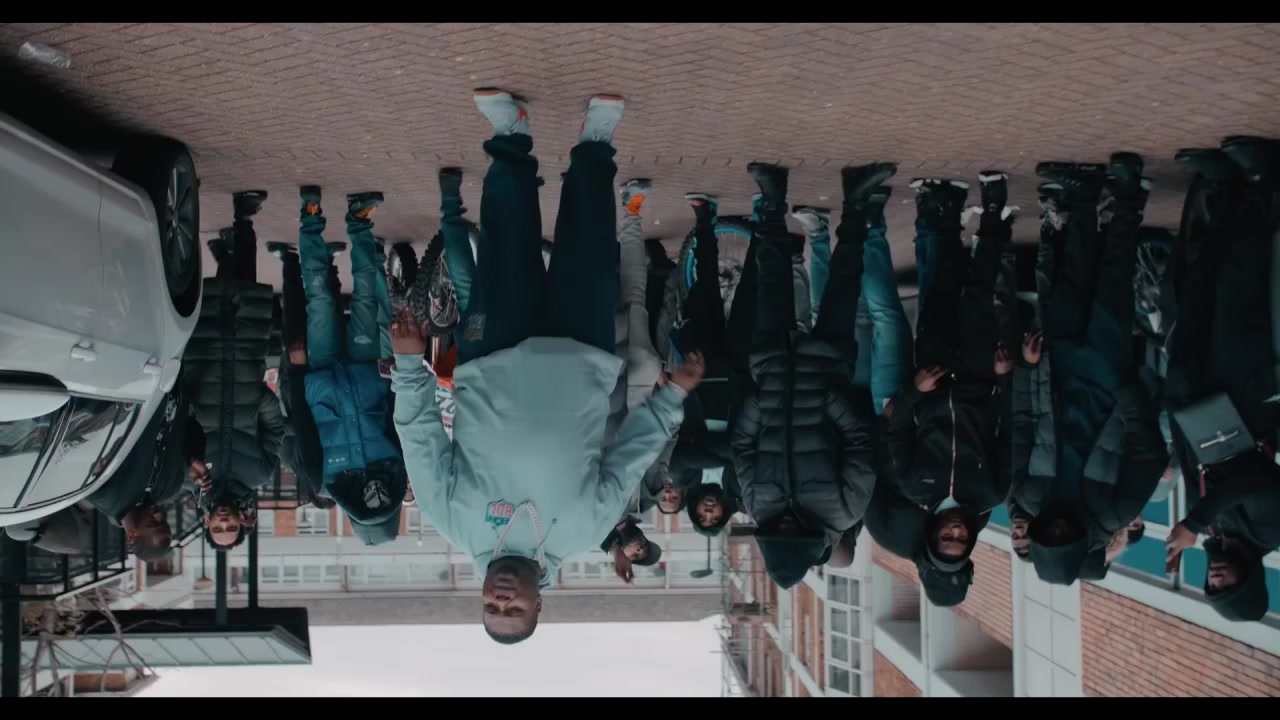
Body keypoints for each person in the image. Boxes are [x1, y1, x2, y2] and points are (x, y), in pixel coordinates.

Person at [392, 89, 702, 646]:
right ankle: (595, 144)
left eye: (491, 607)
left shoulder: (452, 521)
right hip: (582, 359)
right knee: (588, 248)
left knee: (506, 242)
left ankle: (511, 135)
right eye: (512, 610)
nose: (501, 597)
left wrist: (411, 364)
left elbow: (419, 437)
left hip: (491, 355)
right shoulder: (584, 532)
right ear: (539, 604)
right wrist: (671, 399)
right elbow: (630, 458)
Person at [731, 161, 881, 590]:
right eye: (790, 535)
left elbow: (742, 447)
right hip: (828, 371)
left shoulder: (758, 505)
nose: (783, 526)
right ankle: (856, 200)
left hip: (773, 368)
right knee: (845, 282)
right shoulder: (844, 512)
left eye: (775, 533)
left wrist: (760, 401)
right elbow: (862, 446)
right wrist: (829, 399)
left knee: (772, 279)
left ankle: (771, 198)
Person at [1025, 153, 1169, 585]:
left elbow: (1022, 428)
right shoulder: (1113, 512)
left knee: (1072, 281)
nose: (1056, 528)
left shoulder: (1034, 498)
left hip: (1057, 373)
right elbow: (1151, 455)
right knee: (1112, 284)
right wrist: (1127, 393)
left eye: (1047, 536)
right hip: (1108, 381)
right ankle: (1128, 195)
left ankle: (1083, 195)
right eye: (1062, 539)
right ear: (1078, 545)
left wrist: (1030, 371)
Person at [1163, 138, 1280, 621]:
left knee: (1199, 287)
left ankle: (1223, 187)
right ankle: (1262, 180)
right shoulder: (1268, 534)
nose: (1214, 577)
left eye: (1210, 585)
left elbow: (1199, 466)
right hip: (1244, 398)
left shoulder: (1216, 533)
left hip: (1195, 399)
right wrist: (1193, 522)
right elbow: (1257, 481)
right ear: (1249, 579)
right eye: (1225, 585)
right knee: (1239, 284)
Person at [885, 172, 1015, 581]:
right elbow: (1010, 432)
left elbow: (898, 430)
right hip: (979, 376)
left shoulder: (915, 488)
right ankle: (993, 207)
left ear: (934, 534)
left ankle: (951, 208)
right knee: (978, 291)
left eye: (947, 538)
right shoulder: (992, 492)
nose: (956, 531)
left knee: (941, 289)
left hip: (934, 375)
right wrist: (1004, 378)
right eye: (961, 539)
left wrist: (915, 389)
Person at [297, 186, 407, 546]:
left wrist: (294, 371)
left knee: (318, 297)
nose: (375, 501)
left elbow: (300, 426)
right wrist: (399, 372)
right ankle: (359, 221)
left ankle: (310, 218)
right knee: (368, 295)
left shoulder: (323, 479)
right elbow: (402, 417)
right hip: (368, 371)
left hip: (322, 376)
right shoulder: (399, 467)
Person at [183, 191, 284, 549]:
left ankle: (209, 237)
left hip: (202, 360)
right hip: (245, 363)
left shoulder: (187, 480)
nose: (223, 522)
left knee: (212, 297)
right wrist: (259, 398)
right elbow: (275, 428)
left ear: (207, 521)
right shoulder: (259, 473)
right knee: (245, 292)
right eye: (230, 528)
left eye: (217, 528)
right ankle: (244, 220)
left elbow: (177, 433)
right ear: (241, 522)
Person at [85, 370, 202, 559]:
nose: (159, 515)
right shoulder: (169, 489)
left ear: (132, 535)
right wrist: (194, 457)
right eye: (164, 522)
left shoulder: (106, 494)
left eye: (154, 523)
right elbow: (189, 428)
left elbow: (95, 431)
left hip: (134, 376)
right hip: (173, 376)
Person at [600, 515, 662, 584]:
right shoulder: (636, 511)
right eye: (644, 545)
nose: (640, 550)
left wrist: (617, 552)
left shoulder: (602, 539)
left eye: (635, 555)